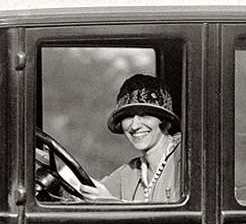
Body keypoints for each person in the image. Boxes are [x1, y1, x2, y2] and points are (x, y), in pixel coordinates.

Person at [78, 73, 183, 203]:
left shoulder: (184, 160)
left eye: (144, 115)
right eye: (128, 116)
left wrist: (111, 204)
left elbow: (176, 220)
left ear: (164, 121)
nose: (134, 126)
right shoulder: (130, 172)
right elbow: (90, 191)